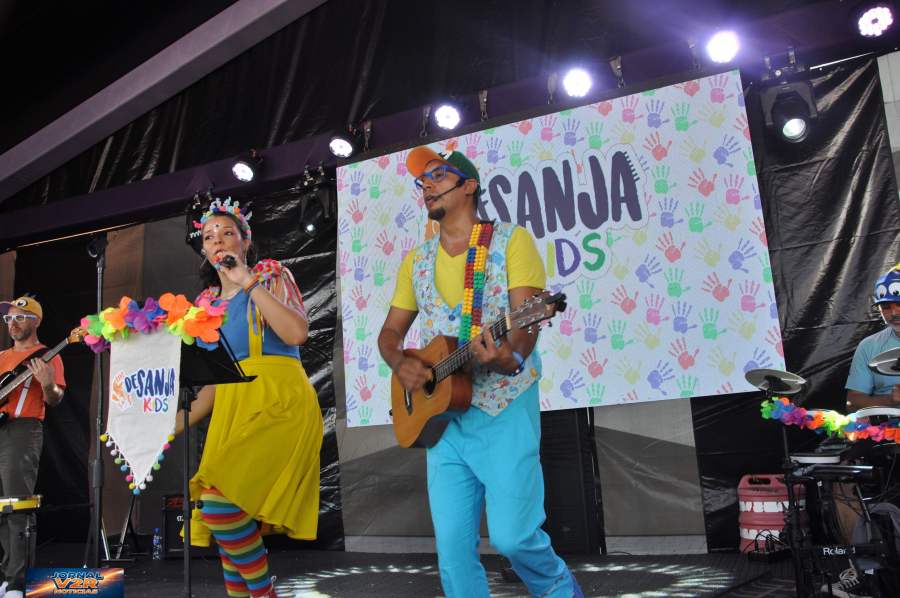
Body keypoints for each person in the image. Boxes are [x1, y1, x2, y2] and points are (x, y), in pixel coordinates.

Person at [377, 147, 584, 598]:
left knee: (513, 538)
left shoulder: (512, 241)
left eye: (437, 175)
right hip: (443, 422)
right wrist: (403, 363)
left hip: (503, 409)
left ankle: (563, 593)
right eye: (421, 181)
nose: (425, 185)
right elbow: (390, 334)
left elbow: (525, 322)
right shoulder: (416, 260)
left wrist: (509, 358)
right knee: (452, 554)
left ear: (468, 185)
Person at [176, 199, 323, 598]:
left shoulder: (270, 274)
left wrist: (248, 282)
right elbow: (211, 389)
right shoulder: (205, 308)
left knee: (220, 506)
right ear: (203, 249)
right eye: (209, 236)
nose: (218, 240)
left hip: (279, 399)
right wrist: (163, 430)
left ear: (244, 240)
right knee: (226, 520)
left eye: (227, 232)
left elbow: (296, 334)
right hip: (233, 408)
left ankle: (265, 594)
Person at [828, 262, 900, 597]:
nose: (893, 312)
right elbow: (854, 401)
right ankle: (863, 566)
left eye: (899, 303)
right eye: (886, 306)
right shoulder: (870, 346)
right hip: (885, 435)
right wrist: (889, 399)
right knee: (841, 478)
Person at [0, 295, 65, 598]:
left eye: (20, 317)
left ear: (36, 321)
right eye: (9, 318)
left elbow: (54, 399)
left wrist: (48, 383)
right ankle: (6, 575)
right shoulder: (1, 357)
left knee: (18, 505)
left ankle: (18, 581)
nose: (13, 323)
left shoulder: (48, 355)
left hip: (22, 430)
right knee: (1, 508)